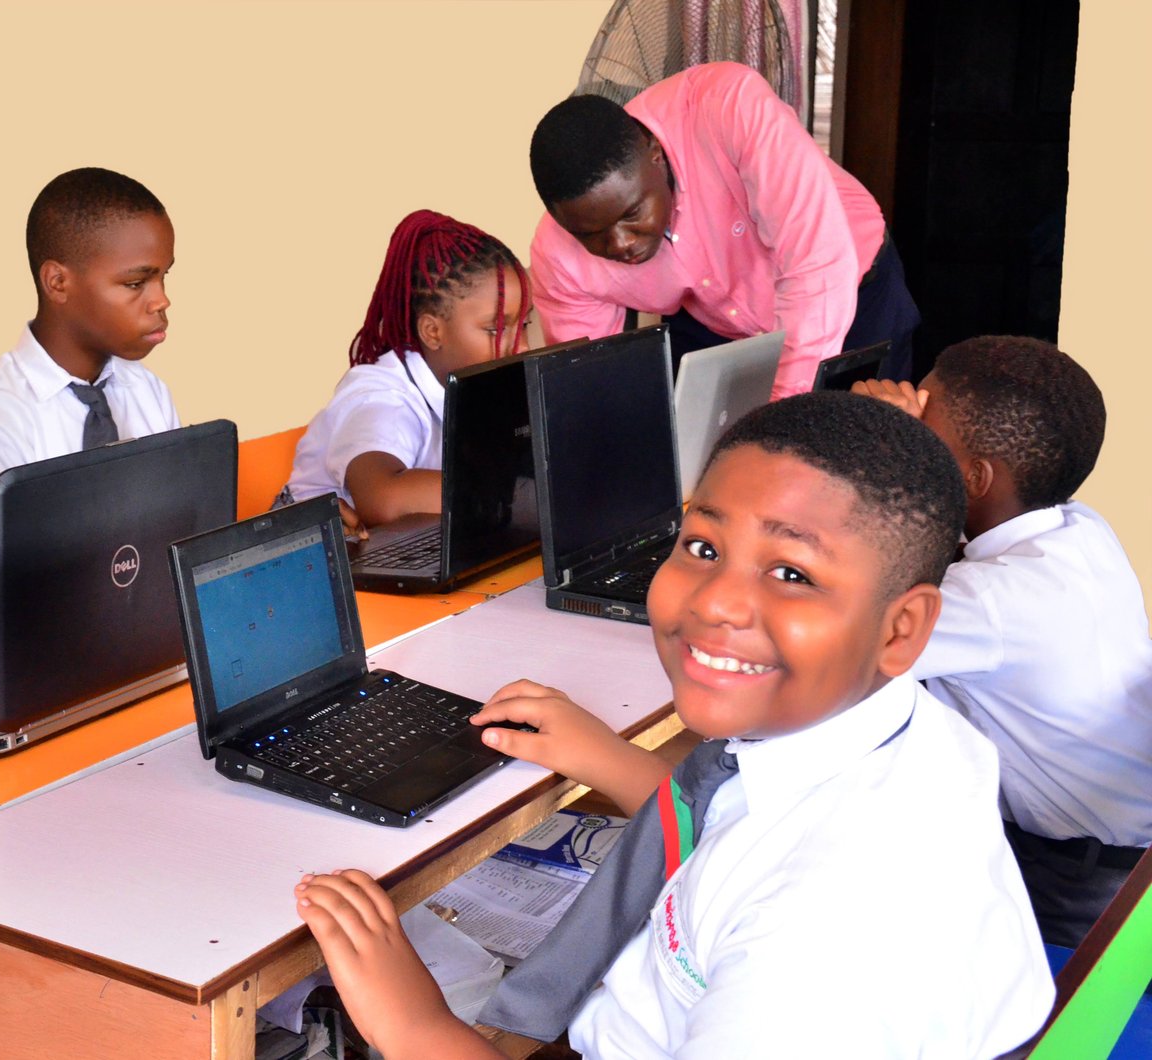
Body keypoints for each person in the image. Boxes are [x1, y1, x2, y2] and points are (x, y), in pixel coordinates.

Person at [294, 392, 1052, 1057]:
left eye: (792, 574)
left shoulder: (824, 943)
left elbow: (791, 914)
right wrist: (611, 758)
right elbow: (731, 826)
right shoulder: (898, 735)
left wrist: (418, 1028)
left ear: (901, 630)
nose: (715, 602)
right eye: (702, 546)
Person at [855, 336, 1152, 947]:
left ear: (974, 477)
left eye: (923, 424)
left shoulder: (992, 601)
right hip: (1118, 851)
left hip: (1078, 882)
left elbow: (837, 631)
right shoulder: (1077, 527)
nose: (912, 421)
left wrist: (881, 465)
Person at [528, 63, 919, 398]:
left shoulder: (730, 108)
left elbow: (815, 268)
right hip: (716, 324)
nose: (621, 243)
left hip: (848, 293)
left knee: (864, 460)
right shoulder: (558, 256)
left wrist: (781, 417)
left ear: (656, 155)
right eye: (591, 234)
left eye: (633, 213)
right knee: (699, 460)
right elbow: (590, 386)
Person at [284, 210, 530, 527]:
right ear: (432, 331)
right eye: (495, 329)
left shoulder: (476, 384)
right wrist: (519, 493)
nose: (522, 345)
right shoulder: (381, 395)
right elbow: (384, 500)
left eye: (525, 323)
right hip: (308, 561)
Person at [0, 167, 179, 489]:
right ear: (58, 283)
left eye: (164, 277)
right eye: (136, 283)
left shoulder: (148, 391)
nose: (161, 300)